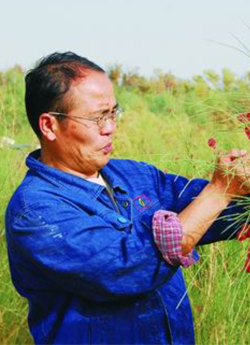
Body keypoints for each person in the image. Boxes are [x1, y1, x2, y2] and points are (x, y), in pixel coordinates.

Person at [5, 52, 250, 345]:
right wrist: (220, 191)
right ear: (49, 126)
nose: (110, 127)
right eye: (97, 117)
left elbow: (212, 211)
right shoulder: (36, 212)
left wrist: (238, 186)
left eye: (112, 113)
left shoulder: (133, 176)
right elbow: (127, 267)